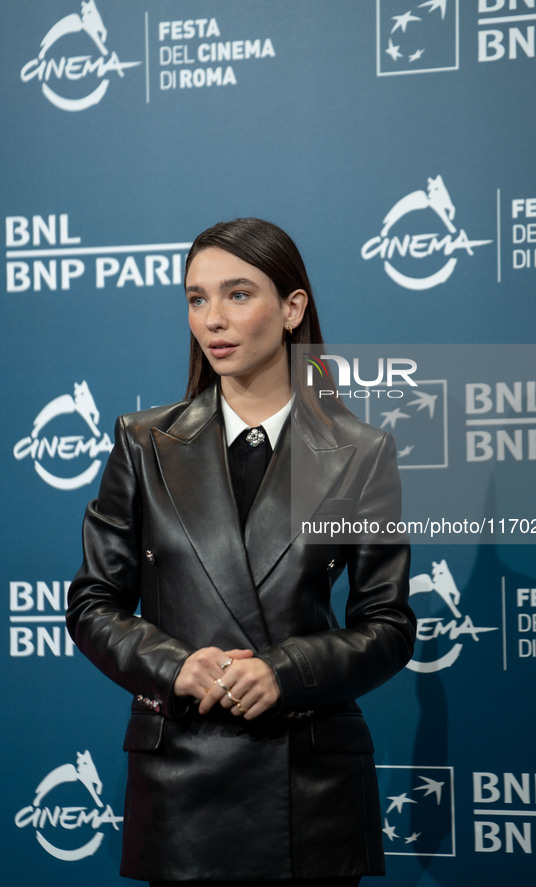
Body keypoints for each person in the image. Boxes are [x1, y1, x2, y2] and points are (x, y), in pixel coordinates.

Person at [66, 218, 415, 886]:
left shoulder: (361, 452)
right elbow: (92, 603)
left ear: (291, 308)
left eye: (236, 294)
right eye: (196, 298)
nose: (213, 319)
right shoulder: (143, 442)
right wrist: (176, 666)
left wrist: (285, 670)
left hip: (307, 789)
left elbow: (389, 627)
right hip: (183, 782)